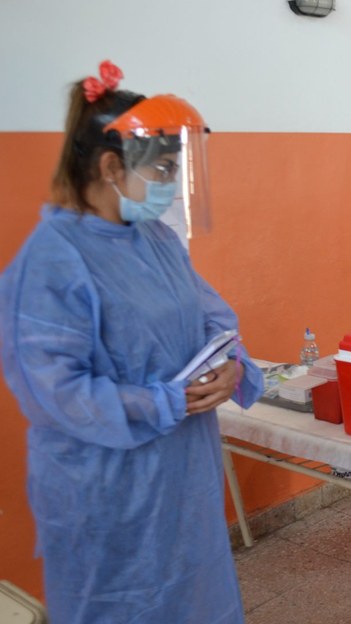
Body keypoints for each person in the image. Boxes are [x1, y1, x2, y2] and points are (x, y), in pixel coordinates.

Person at [0, 60, 264, 623]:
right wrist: (165, 401)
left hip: (183, 479)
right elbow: (57, 394)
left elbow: (213, 319)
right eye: (163, 169)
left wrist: (234, 365)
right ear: (111, 166)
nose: (170, 183)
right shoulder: (51, 261)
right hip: (108, 493)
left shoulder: (157, 239)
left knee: (196, 599)